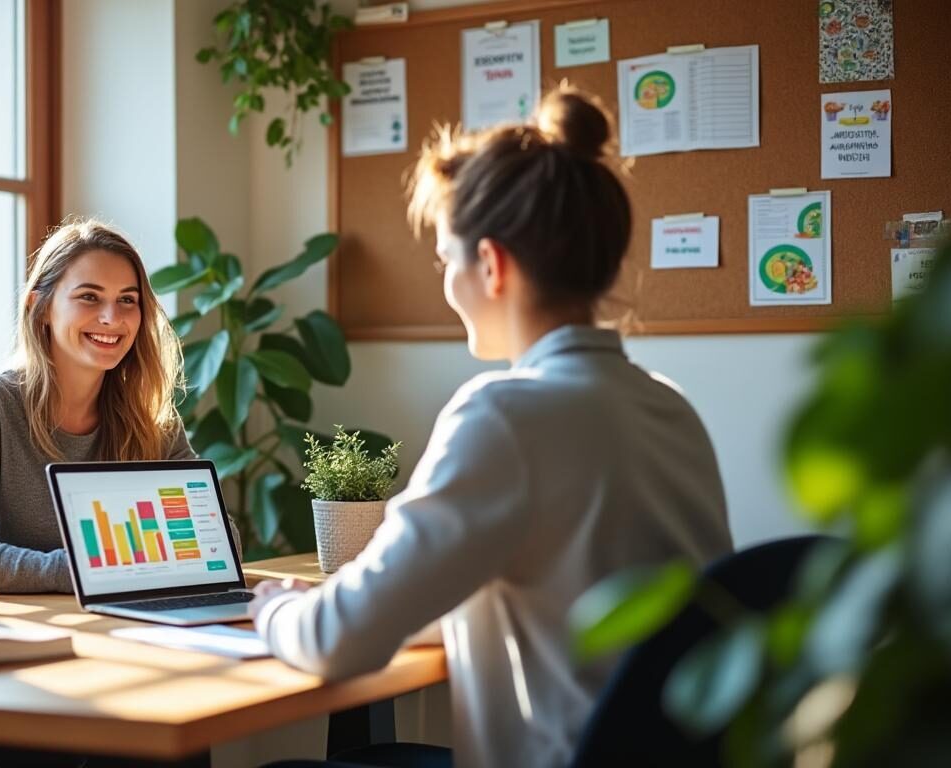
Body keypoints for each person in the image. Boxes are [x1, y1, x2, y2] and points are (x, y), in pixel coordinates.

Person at [250, 89, 734, 768]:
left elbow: (336, 641)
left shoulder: (504, 416)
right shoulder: (668, 407)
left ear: (492, 264)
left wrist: (271, 605)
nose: (447, 283)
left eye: (448, 259)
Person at [0, 219, 196, 592]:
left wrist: (111, 573)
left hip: (136, 620)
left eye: (127, 300)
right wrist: (87, 572)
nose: (112, 318)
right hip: (34, 627)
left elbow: (217, 538)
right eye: (89, 296)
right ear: (40, 308)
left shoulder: (152, 418)